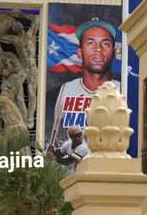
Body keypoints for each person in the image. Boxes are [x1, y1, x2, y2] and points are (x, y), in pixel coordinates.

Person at [48, 19, 120, 148]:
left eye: (106, 44)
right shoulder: (66, 89)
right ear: (80, 53)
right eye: (90, 43)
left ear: (113, 53)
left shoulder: (123, 89)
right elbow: (55, 136)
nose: (98, 50)